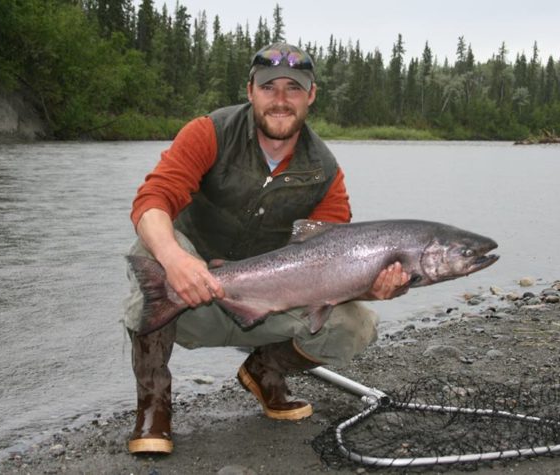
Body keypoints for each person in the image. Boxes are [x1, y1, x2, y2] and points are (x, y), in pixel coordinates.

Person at [123, 42, 410, 455]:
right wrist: (175, 260)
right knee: (155, 247)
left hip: (269, 306)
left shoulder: (326, 174)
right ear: (250, 91)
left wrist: (376, 286)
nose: (280, 100)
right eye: (268, 87)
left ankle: (264, 372)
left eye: (293, 89)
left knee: (356, 325)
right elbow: (152, 200)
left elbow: (335, 269)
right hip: (186, 298)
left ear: (310, 95)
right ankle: (154, 405)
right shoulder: (208, 132)